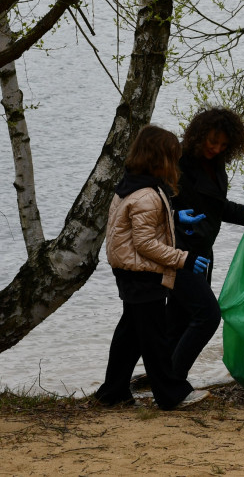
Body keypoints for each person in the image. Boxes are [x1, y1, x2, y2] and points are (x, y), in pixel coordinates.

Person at [93, 125, 210, 410]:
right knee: (154, 339)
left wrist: (174, 218)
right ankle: (172, 395)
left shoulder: (132, 184)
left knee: (130, 335)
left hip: (127, 271)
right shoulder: (146, 193)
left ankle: (113, 392)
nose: (176, 164)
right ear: (160, 158)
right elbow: (144, 243)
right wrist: (184, 258)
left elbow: (138, 227)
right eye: (173, 157)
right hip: (142, 273)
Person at [165, 107, 244, 381]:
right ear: (199, 135)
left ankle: (165, 381)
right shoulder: (178, 161)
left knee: (180, 319)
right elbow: (159, 207)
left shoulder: (216, 164)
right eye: (213, 141)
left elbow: (213, 206)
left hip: (202, 251)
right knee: (206, 316)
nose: (217, 148)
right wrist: (176, 219)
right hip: (178, 253)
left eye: (223, 145)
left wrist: (243, 212)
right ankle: (173, 381)